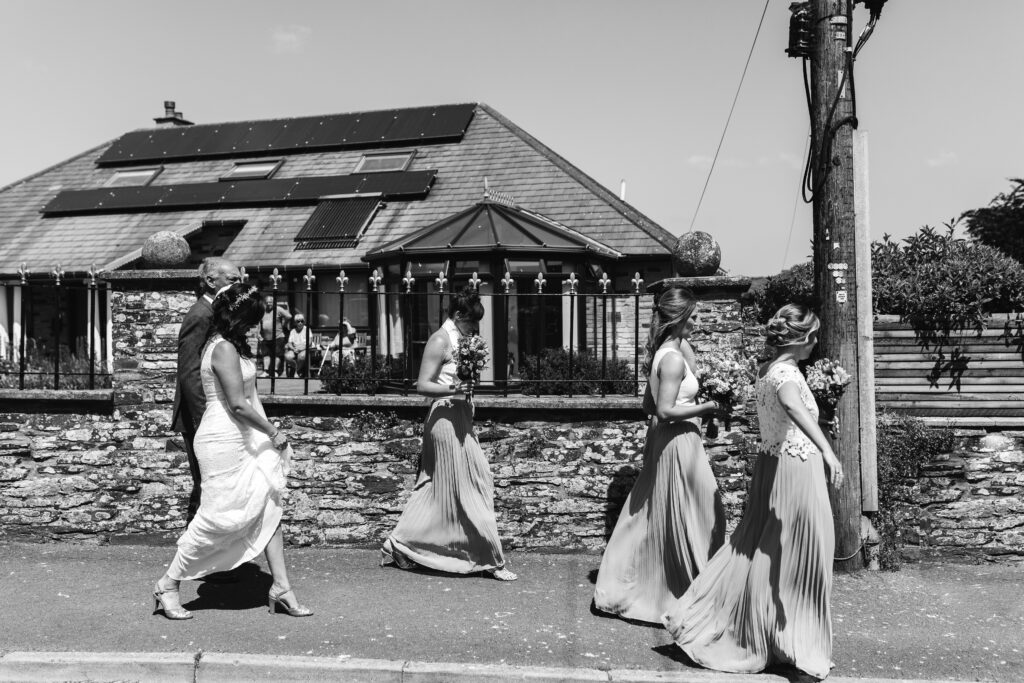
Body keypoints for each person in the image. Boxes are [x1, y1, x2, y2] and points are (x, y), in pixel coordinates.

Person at [662, 304, 844, 680]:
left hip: (773, 465)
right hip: (796, 468)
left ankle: (776, 634)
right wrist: (827, 451)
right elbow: (792, 405)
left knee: (763, 552)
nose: (816, 343)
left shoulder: (770, 370)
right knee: (806, 553)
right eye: (813, 336)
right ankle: (800, 646)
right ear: (801, 338)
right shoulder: (785, 373)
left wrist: (822, 418)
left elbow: (786, 411)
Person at [153, 283, 312, 620]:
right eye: (253, 320)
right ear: (238, 319)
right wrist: (274, 433)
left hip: (244, 439)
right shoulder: (223, 349)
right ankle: (167, 583)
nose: (257, 327)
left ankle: (281, 586)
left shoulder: (232, 346)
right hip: (223, 439)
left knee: (268, 503)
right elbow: (237, 405)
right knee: (217, 517)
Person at [593, 287, 726, 624]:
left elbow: (648, 406)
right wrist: (707, 407)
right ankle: (687, 587)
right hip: (678, 443)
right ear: (678, 316)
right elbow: (664, 410)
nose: (697, 322)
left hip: (677, 441)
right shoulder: (671, 359)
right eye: (693, 316)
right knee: (699, 514)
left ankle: (686, 582)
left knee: (678, 513)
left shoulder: (664, 353)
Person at [380, 286, 517, 581]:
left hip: (462, 418)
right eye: (471, 322)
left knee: (440, 485)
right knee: (472, 484)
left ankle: (399, 543)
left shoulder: (462, 341)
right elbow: (421, 386)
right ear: (457, 316)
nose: (475, 328)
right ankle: (491, 559)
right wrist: (455, 389)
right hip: (443, 419)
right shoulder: (439, 340)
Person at [171, 257, 240, 525]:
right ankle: (192, 549)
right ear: (211, 281)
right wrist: (206, 418)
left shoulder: (220, 312)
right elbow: (189, 372)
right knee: (206, 486)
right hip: (200, 417)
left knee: (215, 485)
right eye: (232, 279)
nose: (238, 284)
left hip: (215, 415)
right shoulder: (200, 314)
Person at [259, 295, 292, 377]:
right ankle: (266, 371)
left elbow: (289, 316)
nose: (269, 304)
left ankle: (275, 371)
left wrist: (284, 324)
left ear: (273, 303)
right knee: (265, 354)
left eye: (270, 302)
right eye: (267, 302)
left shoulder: (278, 309)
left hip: (278, 336)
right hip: (265, 337)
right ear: (265, 303)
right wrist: (258, 334)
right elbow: (259, 322)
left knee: (278, 354)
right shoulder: (262, 311)